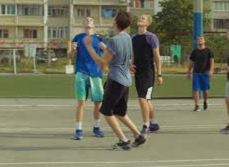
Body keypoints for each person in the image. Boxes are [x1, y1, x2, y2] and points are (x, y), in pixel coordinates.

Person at [83, 11, 146, 150]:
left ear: (116, 23)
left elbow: (102, 63)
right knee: (120, 112)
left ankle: (123, 141)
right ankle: (138, 135)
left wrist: (89, 47)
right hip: (126, 80)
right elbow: (128, 57)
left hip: (116, 80)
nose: (112, 19)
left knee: (106, 111)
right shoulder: (128, 37)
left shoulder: (114, 40)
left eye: (114, 18)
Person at [67, 16, 107, 140]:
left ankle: (96, 128)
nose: (88, 21)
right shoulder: (78, 38)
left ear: (93, 24)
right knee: (81, 103)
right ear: (83, 24)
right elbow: (69, 57)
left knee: (98, 103)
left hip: (96, 74)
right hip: (81, 73)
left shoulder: (99, 39)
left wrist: (105, 49)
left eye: (90, 20)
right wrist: (72, 50)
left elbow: (107, 54)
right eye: (86, 20)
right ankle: (78, 130)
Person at [131, 15, 163, 137]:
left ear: (148, 23)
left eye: (143, 18)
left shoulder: (151, 37)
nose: (140, 19)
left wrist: (159, 74)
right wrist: (131, 64)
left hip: (148, 72)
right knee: (146, 99)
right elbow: (133, 53)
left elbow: (157, 57)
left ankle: (146, 125)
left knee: (142, 98)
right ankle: (154, 123)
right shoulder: (133, 37)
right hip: (138, 72)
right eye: (139, 18)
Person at [187, 36, 214, 112]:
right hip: (196, 73)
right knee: (196, 89)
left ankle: (205, 101)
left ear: (204, 41)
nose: (200, 40)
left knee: (205, 91)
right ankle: (197, 105)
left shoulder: (209, 51)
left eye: (201, 39)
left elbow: (212, 62)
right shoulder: (194, 52)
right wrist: (188, 72)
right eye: (198, 39)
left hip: (205, 73)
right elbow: (191, 63)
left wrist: (211, 70)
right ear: (197, 42)